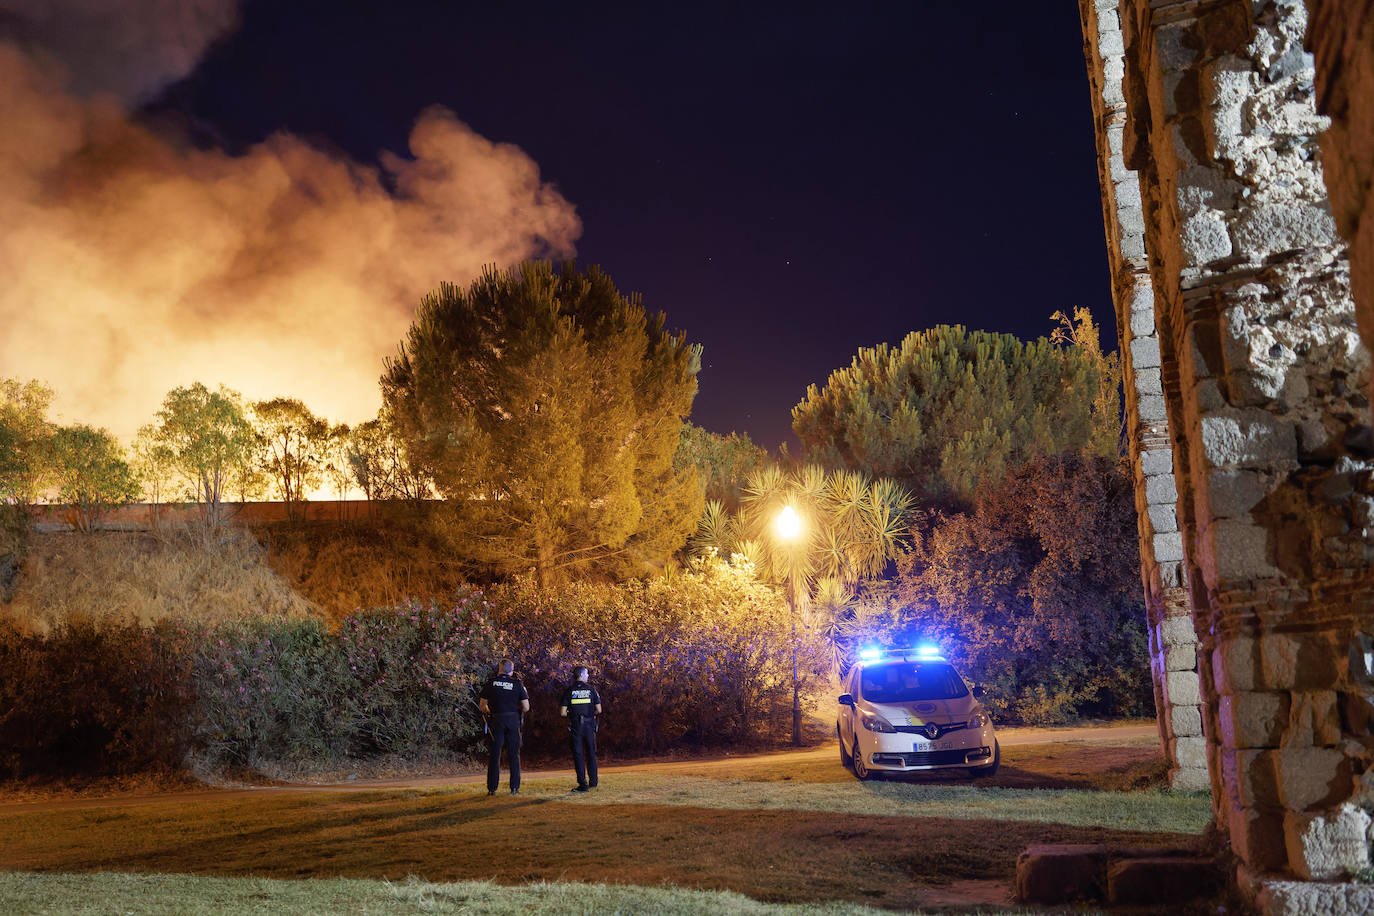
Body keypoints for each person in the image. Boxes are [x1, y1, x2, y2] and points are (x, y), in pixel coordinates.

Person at [478, 659, 529, 796]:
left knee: (495, 755)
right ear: (512, 670)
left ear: (499, 668)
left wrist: (490, 711)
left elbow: (482, 706)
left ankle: (492, 789)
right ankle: (514, 788)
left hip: (497, 720)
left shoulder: (491, 683)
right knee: (514, 755)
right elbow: (526, 707)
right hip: (512, 720)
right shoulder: (517, 684)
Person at [558, 664, 602, 792]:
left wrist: (572, 713)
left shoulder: (569, 691)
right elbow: (599, 709)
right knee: (591, 754)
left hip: (576, 726)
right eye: (587, 673)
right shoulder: (592, 690)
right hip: (589, 725)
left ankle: (583, 785)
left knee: (578, 754)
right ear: (582, 675)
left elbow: (562, 712)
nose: (588, 675)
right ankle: (593, 782)